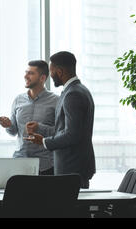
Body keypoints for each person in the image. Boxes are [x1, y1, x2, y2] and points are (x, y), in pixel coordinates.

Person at [26, 51, 96, 188]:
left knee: (68, 209)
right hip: (74, 167)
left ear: (60, 71)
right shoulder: (79, 90)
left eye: (51, 72)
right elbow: (64, 129)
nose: (50, 76)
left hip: (71, 168)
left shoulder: (73, 94)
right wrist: (40, 128)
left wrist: (44, 142)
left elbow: (72, 134)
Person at [0, 60, 58, 175]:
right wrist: (9, 125)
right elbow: (13, 131)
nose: (25, 76)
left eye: (31, 73)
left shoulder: (56, 101)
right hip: (19, 163)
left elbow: (60, 132)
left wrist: (39, 128)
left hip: (45, 166)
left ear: (42, 78)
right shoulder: (18, 100)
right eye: (26, 72)